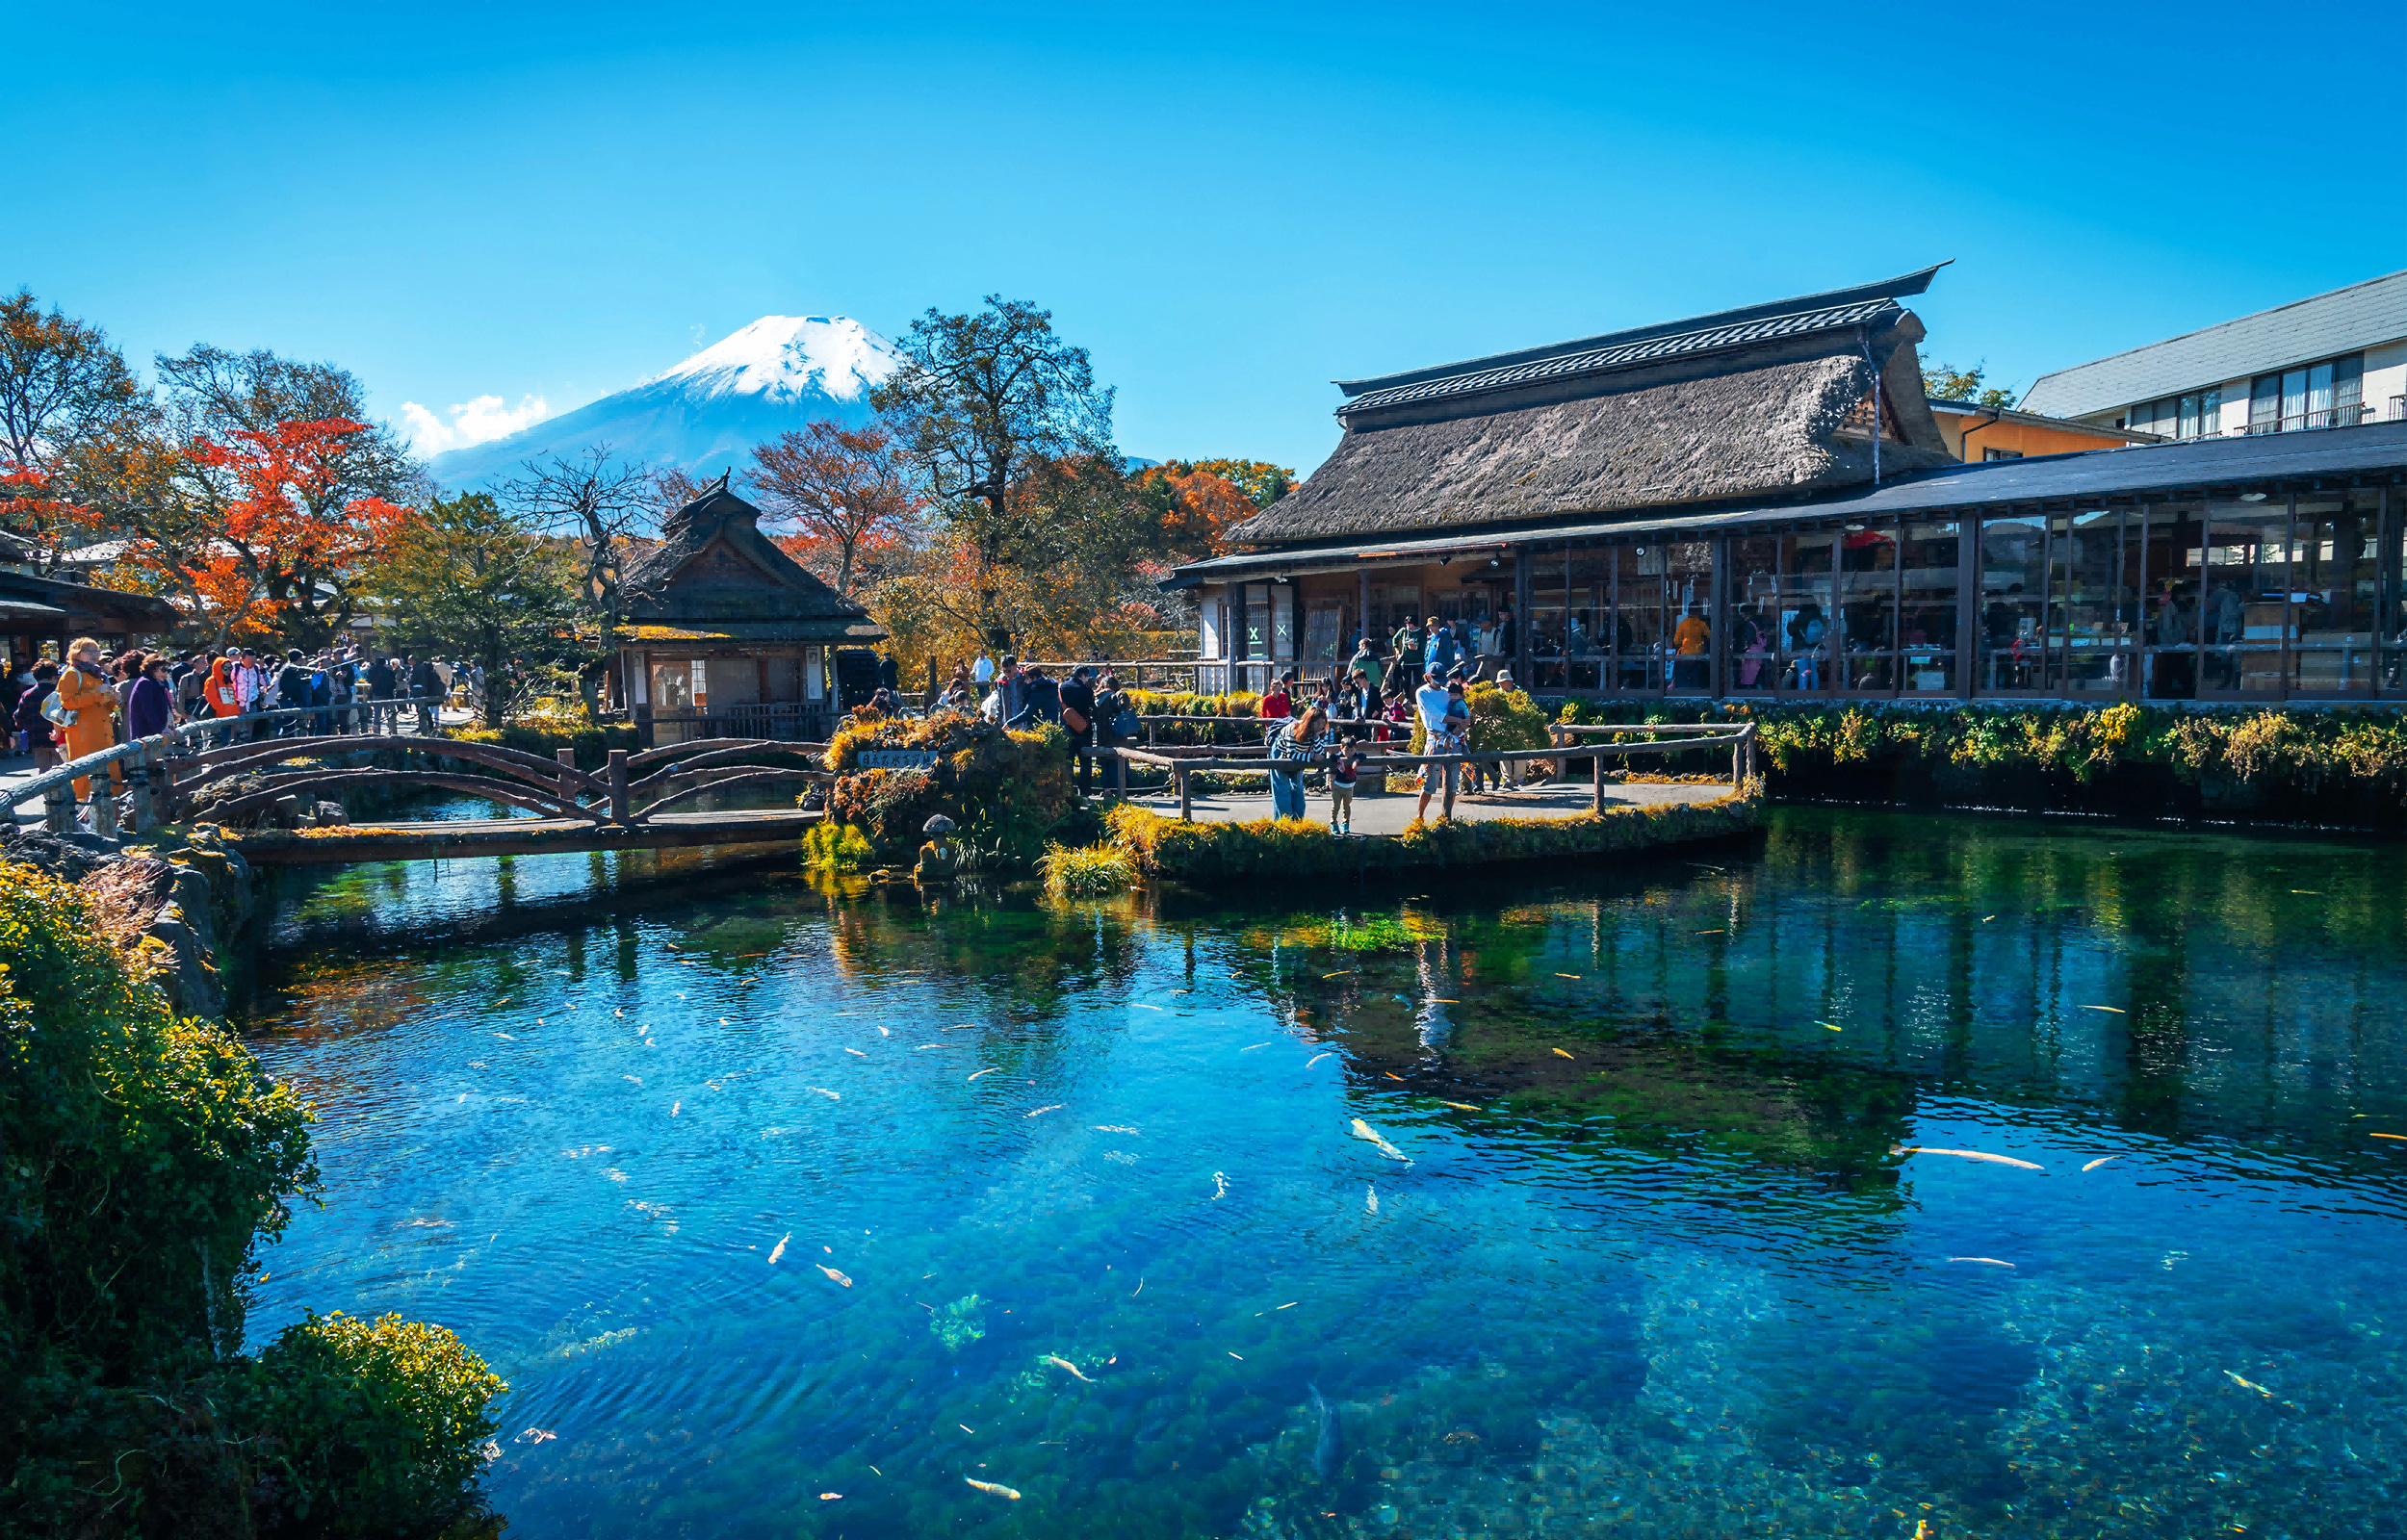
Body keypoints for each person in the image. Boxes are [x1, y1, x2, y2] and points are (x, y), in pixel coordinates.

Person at [57, 637, 122, 806]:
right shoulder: (72, 674)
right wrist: (97, 693)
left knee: (110, 778)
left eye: (97, 651)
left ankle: (112, 821)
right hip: (83, 736)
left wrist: (117, 702)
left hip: (104, 735)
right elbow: (67, 702)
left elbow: (111, 710)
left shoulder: (99, 674)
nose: (95, 655)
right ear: (77, 654)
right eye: (90, 651)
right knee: (85, 778)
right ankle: (85, 818)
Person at [1267, 701, 1331, 821]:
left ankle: (1298, 822)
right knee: (1282, 789)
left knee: (1298, 789)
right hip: (1281, 753)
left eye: (1323, 723)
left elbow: (1319, 753)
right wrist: (1311, 757)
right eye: (1318, 723)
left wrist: (1316, 738)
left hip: (1302, 756)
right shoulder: (1293, 729)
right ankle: (1285, 823)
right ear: (1310, 722)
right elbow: (1290, 754)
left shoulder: (1319, 732)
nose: (1321, 726)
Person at [1412, 667, 1461, 823]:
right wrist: (1459, 720)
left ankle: (1447, 816)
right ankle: (1420, 816)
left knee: (1452, 781)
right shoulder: (1422, 693)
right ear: (1428, 677)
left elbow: (1457, 709)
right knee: (1430, 781)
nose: (1439, 684)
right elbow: (1436, 715)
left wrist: (1461, 724)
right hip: (1434, 736)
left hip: (1452, 735)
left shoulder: (1446, 692)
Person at [14, 661, 60, 774]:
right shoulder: (59, 693)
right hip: (59, 737)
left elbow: (19, 715)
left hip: (37, 738)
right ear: (53, 676)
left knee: (44, 770)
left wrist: (21, 727)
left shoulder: (28, 694)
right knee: (63, 768)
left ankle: (46, 791)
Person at [1059, 665, 1097, 794]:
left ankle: (1070, 790)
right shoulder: (1086, 690)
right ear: (1082, 675)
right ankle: (1085, 791)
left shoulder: (1062, 687)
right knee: (1085, 763)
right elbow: (1093, 707)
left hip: (1067, 728)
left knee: (1068, 761)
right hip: (1084, 729)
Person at [127, 655, 173, 742]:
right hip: (144, 735)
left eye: (168, 670)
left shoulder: (158, 683)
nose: (166, 674)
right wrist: (160, 729)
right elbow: (148, 709)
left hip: (155, 734)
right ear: (153, 668)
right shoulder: (145, 683)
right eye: (163, 670)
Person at [1327, 738, 1361, 835]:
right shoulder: (1339, 755)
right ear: (1341, 748)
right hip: (1338, 785)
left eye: (1351, 750)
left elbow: (1363, 756)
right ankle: (1333, 823)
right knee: (1336, 806)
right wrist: (1340, 760)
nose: (1349, 753)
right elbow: (1332, 756)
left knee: (1347, 806)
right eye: (1346, 750)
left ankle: (1345, 823)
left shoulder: (1356, 756)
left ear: (1355, 749)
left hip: (1349, 786)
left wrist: (1356, 761)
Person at [1672, 605, 1711, 690]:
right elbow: (1710, 636)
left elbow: (1676, 640)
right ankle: (1696, 694)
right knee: (1697, 677)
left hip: (1685, 656)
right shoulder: (1701, 624)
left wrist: (1683, 645)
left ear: (1689, 612)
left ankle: (1685, 694)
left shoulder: (1683, 624)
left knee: (1684, 676)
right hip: (1698, 655)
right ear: (1698, 613)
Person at [408, 654, 443, 733]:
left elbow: (412, 679)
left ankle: (425, 726)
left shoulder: (417, 669)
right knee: (423, 709)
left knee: (421, 709)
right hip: (424, 690)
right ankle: (427, 725)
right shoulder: (422, 669)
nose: (409, 662)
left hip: (418, 691)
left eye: (410, 660)